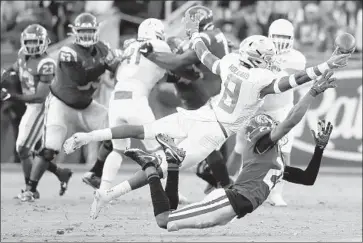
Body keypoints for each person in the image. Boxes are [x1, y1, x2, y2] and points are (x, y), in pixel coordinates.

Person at [62, 8, 349, 219]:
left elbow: (205, 56)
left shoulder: (230, 62)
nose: (271, 61)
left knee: (145, 133)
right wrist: (326, 66)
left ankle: (88, 137)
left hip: (200, 114)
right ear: (258, 58)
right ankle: (109, 194)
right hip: (212, 132)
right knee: (160, 165)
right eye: (267, 57)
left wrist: (197, 35)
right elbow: (293, 80)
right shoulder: (259, 80)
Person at [124, 82, 334, 231]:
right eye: (272, 126)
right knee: (165, 220)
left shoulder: (273, 161)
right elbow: (290, 121)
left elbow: (308, 179)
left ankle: (172, 163)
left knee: (171, 219)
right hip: (229, 202)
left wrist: (320, 148)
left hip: (231, 208)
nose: (277, 128)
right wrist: (312, 92)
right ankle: (151, 169)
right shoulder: (262, 145)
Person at [19, 13, 124, 202]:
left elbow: (116, 68)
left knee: (114, 132)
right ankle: (30, 189)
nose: (85, 35)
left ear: (96, 32)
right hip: (61, 105)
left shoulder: (102, 49)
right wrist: (105, 64)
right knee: (49, 149)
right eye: (82, 31)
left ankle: (95, 173)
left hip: (86, 105)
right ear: (75, 32)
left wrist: (119, 64)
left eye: (89, 31)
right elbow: (80, 77)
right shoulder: (68, 51)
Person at [142, 6, 233, 194]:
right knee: (209, 144)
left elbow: (180, 63)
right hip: (211, 96)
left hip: (211, 97)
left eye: (189, 22)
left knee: (200, 146)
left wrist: (152, 55)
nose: (186, 25)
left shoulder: (206, 37)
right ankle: (220, 182)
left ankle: (225, 184)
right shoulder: (212, 35)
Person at [226, 19, 306, 206]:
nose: (280, 41)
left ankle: (276, 192)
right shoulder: (259, 47)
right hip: (254, 106)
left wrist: (266, 57)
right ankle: (226, 182)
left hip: (280, 109)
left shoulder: (297, 58)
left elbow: (287, 67)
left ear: (292, 39)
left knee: (284, 150)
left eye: (284, 37)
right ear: (268, 36)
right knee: (240, 148)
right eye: (276, 36)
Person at [97, 18, 171, 193]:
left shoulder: (130, 46)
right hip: (136, 98)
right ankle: (171, 190)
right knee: (159, 150)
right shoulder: (159, 46)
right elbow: (172, 67)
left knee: (117, 150)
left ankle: (103, 189)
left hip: (117, 97)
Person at [1, 24, 72, 200]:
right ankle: (59, 173)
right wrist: (6, 76)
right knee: (28, 149)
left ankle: (30, 189)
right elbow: (16, 69)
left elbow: (40, 97)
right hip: (31, 106)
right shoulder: (22, 55)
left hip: (43, 107)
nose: (32, 46)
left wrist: (11, 96)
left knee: (24, 148)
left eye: (36, 42)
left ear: (44, 42)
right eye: (29, 42)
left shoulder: (46, 63)